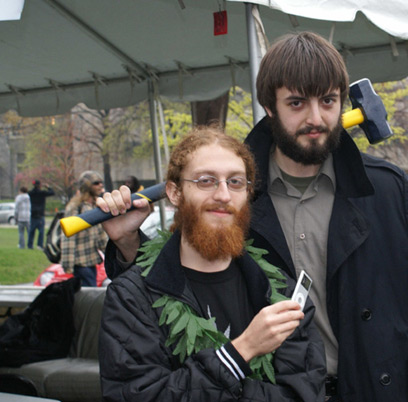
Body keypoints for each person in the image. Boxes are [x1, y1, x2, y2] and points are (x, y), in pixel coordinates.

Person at [99, 32, 408, 401]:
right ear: (269, 108)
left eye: (328, 101)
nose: (316, 118)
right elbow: (177, 282)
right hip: (276, 393)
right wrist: (127, 243)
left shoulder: (386, 190)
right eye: (297, 103)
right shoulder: (235, 194)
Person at [97, 126, 326, 401]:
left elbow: (304, 394)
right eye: (206, 181)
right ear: (175, 192)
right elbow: (139, 396)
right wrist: (240, 352)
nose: (223, 195)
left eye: (236, 182)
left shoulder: (283, 294)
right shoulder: (131, 298)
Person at [60, 171, 108, 287]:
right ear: (87, 186)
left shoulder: (96, 205)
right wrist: (68, 264)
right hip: (80, 263)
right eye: (96, 183)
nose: (100, 185)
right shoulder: (76, 207)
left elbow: (101, 234)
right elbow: (68, 237)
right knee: (89, 297)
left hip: (91, 261)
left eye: (101, 183)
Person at [27, 179, 54, 250]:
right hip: (40, 213)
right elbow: (52, 192)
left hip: (33, 213)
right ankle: (39, 245)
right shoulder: (42, 193)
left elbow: (28, 193)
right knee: (41, 231)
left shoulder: (30, 193)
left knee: (31, 231)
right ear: (39, 185)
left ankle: (30, 245)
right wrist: (48, 187)